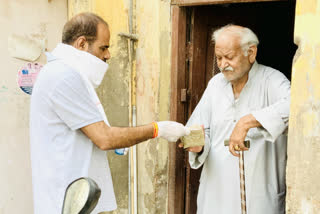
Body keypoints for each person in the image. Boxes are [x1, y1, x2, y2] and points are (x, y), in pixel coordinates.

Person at [29, 12, 190, 214]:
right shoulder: (63, 76)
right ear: (81, 44)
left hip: (76, 200)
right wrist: (159, 129)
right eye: (103, 47)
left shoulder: (64, 73)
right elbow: (104, 137)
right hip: (67, 203)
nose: (108, 55)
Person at [181, 25, 290, 214]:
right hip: (216, 194)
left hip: (258, 195)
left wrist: (248, 121)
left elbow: (298, 107)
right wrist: (196, 143)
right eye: (218, 58)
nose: (223, 65)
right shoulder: (215, 85)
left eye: (229, 57)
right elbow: (196, 127)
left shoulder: (272, 80)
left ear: (251, 53)